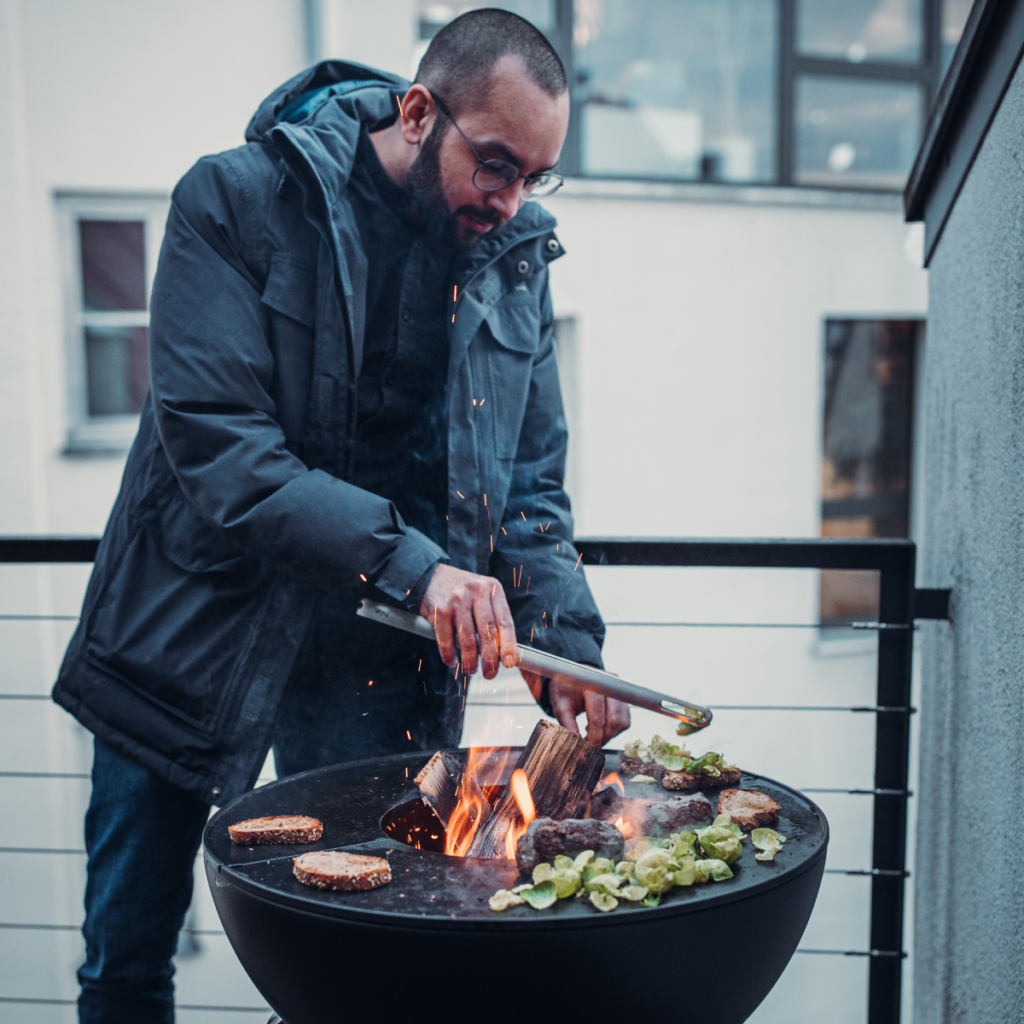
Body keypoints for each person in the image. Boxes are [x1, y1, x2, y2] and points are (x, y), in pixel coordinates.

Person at [52, 8, 629, 1022]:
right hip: (190, 636)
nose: (512, 199)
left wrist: (566, 641)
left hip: (376, 668)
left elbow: (530, 484)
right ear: (417, 111)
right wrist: (418, 570)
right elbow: (222, 449)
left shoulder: (513, 257)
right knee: (130, 962)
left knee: (366, 970)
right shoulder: (232, 200)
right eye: (496, 164)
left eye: (536, 177)